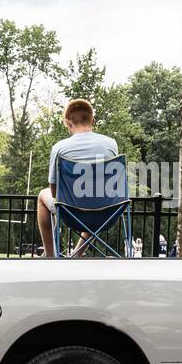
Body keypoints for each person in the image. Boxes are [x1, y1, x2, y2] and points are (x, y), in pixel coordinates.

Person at [36, 98, 119, 258]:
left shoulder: (59, 148)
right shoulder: (111, 144)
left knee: (42, 196)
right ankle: (76, 254)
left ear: (68, 122)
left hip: (70, 212)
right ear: (93, 120)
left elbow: (54, 192)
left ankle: (50, 255)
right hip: (106, 212)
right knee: (95, 199)